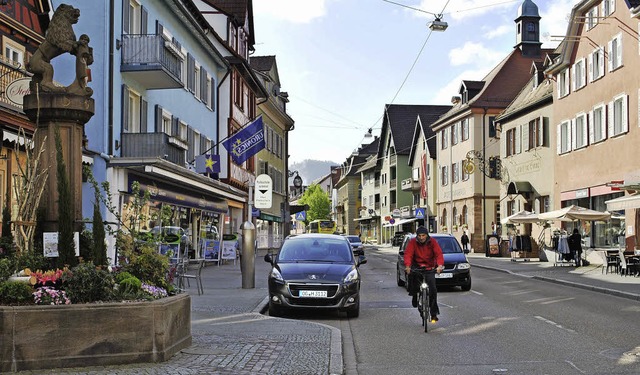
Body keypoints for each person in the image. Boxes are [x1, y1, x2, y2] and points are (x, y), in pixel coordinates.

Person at [404, 226, 445, 322]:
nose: (421, 237)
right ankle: (414, 295)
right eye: (419, 235)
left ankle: (434, 313)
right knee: (412, 279)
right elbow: (408, 254)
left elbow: (438, 254)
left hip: (429, 267)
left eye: (423, 235)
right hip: (417, 266)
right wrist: (408, 266)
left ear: (427, 235)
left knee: (433, 290)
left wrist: (439, 266)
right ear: (417, 236)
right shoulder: (413, 242)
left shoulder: (433, 242)